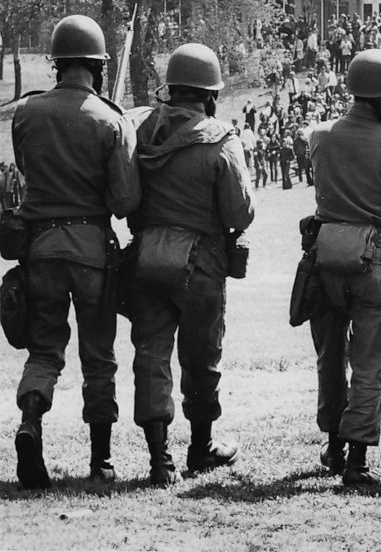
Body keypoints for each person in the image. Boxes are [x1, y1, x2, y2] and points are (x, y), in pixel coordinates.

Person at [10, 15, 140, 488]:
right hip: (91, 252)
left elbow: (26, 170)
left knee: (45, 352)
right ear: (96, 67)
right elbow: (125, 202)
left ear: (58, 63)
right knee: (98, 356)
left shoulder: (26, 114)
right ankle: (101, 461)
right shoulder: (110, 119)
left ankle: (30, 422)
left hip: (40, 250)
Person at [124, 43, 254, 485]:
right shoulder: (221, 139)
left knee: (150, 354)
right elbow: (240, 213)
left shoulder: (141, 133)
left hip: (146, 257)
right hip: (200, 263)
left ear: (171, 90)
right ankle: (200, 449)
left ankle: (159, 461)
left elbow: (127, 199)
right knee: (201, 359)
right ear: (210, 95)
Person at [308, 49, 381, 485]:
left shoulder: (319, 135)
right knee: (369, 364)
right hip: (376, 261)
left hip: (326, 257)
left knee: (330, 357)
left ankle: (333, 446)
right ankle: (356, 461)